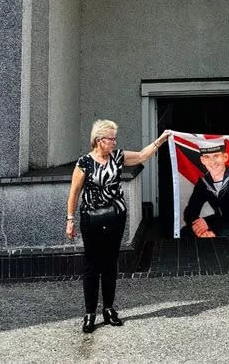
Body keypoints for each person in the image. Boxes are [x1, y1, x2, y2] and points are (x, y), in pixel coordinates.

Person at [66, 120, 170, 333]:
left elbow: (142, 155)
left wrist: (160, 140)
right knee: (92, 265)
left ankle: (109, 309)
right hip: (91, 218)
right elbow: (74, 193)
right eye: (110, 138)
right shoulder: (84, 162)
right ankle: (89, 313)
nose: (114, 142)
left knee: (110, 263)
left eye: (115, 138)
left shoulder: (118, 157)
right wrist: (70, 220)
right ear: (99, 140)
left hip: (115, 217)